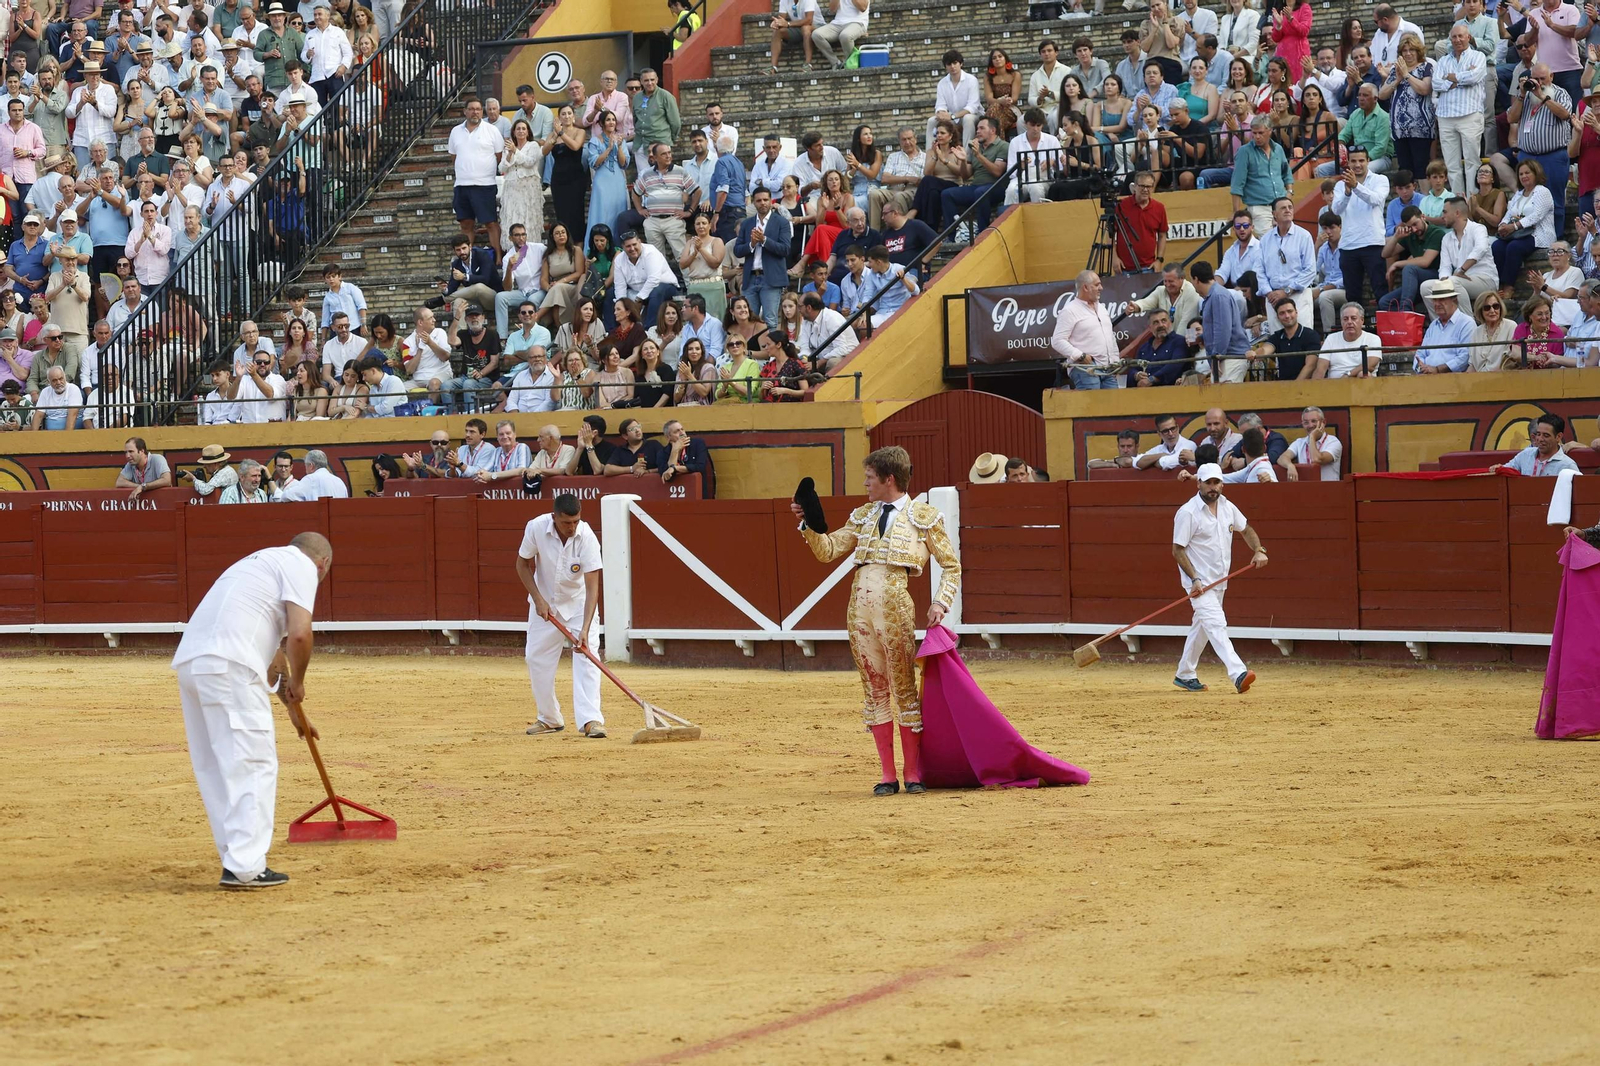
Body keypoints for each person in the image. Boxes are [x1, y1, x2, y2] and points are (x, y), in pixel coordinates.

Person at [791, 446, 959, 796]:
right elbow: (828, 551)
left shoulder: (923, 516)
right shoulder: (864, 515)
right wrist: (807, 524)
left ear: (889, 479)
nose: (865, 483)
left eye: (869, 477)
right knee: (874, 689)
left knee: (903, 688)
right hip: (859, 607)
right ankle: (887, 776)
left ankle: (912, 773)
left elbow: (951, 566)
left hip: (895, 601)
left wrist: (940, 603)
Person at [171, 531, 333, 889]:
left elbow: (275, 654)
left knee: (215, 766)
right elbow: (300, 636)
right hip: (230, 665)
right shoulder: (303, 567)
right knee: (253, 762)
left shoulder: (257, 563)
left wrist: (290, 705)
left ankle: (235, 856)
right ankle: (246, 865)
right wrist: (301, 682)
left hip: (193, 664)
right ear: (322, 564)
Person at [1171, 463, 1269, 694]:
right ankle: (1238, 673)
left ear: (1222, 484)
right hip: (1199, 583)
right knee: (1216, 624)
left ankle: (1184, 674)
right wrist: (1194, 579)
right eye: (1208, 483)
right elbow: (1178, 550)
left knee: (1203, 628)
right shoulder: (1188, 512)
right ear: (1199, 484)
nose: (1213, 487)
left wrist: (1259, 549)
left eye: (1217, 482)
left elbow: (1246, 530)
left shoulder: (1227, 507)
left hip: (1220, 580)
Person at [518, 493, 605, 739]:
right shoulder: (536, 527)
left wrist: (585, 629)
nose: (572, 527)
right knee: (536, 659)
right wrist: (537, 598)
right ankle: (549, 718)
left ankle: (591, 720)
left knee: (587, 657)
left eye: (576, 521)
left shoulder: (587, 537)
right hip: (545, 605)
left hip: (578, 606)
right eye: (567, 522)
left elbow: (592, 588)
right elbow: (522, 564)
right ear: (554, 517)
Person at [1049, 269, 1120, 389]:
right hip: (1085, 368)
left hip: (1108, 368)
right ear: (1085, 288)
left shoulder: (1102, 308)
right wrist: (1079, 355)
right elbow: (1057, 340)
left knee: (1113, 406)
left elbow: (1110, 337)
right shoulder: (1070, 310)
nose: (1101, 288)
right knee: (1092, 405)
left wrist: (1116, 361)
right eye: (1097, 285)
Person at [734, 187, 793, 330]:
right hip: (751, 277)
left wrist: (764, 240)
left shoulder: (781, 222)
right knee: (748, 321)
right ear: (753, 202)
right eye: (759, 200)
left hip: (771, 278)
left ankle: (771, 352)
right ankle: (752, 351)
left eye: (766, 200)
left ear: (771, 201)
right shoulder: (747, 224)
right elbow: (737, 250)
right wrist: (752, 244)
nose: (763, 203)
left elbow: (785, 249)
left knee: (770, 321)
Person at [1114, 170, 1168, 273]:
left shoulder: (1159, 208)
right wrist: (1114, 258)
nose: (1145, 190)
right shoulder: (1121, 206)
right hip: (1124, 268)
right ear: (1134, 187)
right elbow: (1110, 234)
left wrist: (1159, 260)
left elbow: (1162, 235)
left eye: (1149, 187)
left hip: (1149, 267)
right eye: (1142, 186)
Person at [1492, 413, 1581, 475]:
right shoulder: (1525, 455)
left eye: (1546, 435)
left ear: (1558, 437)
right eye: (1538, 434)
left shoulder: (1567, 465)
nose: (1540, 439)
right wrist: (1499, 468)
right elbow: (1507, 470)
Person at [1279, 405, 1342, 481]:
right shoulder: (1299, 442)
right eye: (1306, 422)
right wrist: (1290, 465)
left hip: (1328, 489)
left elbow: (1317, 459)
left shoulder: (1333, 442)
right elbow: (1282, 458)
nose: (1310, 425)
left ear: (1323, 422)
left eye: (1314, 421)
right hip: (1307, 489)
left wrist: (1312, 438)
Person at [277, 449, 348, 500]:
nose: (306, 470)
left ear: (311, 466)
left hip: (318, 519)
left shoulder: (310, 479)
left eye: (306, 466)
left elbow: (286, 497)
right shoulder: (339, 481)